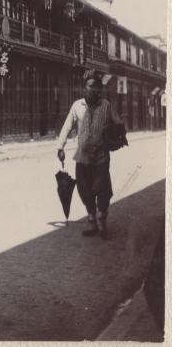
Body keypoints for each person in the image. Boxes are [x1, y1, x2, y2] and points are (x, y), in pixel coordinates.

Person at [57, 70, 123, 240]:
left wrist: (117, 136)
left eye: (97, 87)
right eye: (91, 86)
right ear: (84, 88)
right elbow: (67, 126)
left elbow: (119, 124)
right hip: (82, 157)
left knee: (103, 190)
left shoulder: (107, 106)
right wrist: (60, 147)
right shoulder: (77, 106)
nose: (94, 90)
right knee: (84, 190)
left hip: (101, 157)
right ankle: (92, 220)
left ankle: (101, 219)